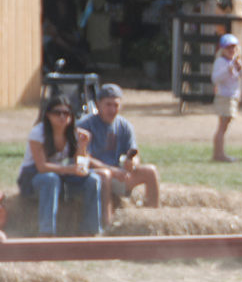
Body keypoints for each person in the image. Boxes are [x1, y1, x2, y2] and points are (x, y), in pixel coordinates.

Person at [16, 96, 102, 237]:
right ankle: (46, 232)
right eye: (57, 112)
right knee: (50, 179)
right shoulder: (38, 133)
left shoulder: (74, 133)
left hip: (59, 177)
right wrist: (68, 169)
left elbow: (80, 163)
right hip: (33, 179)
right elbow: (42, 167)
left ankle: (89, 230)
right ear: (48, 115)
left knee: (94, 179)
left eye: (66, 113)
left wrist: (82, 145)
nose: (62, 116)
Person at [79, 84, 160, 226]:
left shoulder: (124, 126)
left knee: (150, 171)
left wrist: (132, 163)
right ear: (98, 104)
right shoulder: (85, 125)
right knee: (105, 175)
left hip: (117, 174)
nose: (112, 109)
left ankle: (153, 220)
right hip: (92, 175)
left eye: (115, 105)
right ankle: (106, 224)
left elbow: (133, 152)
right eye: (108, 105)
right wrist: (112, 171)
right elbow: (84, 158)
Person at [210, 34, 242, 163]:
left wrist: (240, 68)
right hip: (224, 97)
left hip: (232, 98)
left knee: (224, 126)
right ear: (222, 50)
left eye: (233, 48)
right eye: (228, 48)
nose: (231, 51)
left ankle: (219, 153)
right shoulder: (221, 62)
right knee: (222, 127)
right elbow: (215, 78)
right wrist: (227, 69)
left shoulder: (235, 61)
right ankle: (219, 154)